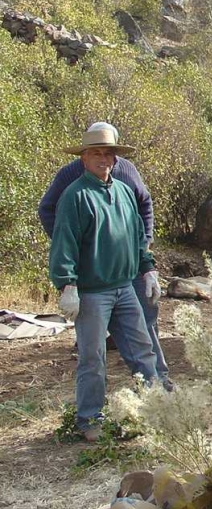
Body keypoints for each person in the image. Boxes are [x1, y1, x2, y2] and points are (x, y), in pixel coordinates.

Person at [49, 124, 159, 442]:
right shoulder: (75, 196)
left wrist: (148, 269)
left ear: (115, 158)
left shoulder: (124, 191)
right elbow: (64, 242)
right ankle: (89, 419)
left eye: (108, 153)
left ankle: (157, 411)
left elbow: (137, 236)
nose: (103, 159)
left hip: (125, 287)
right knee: (93, 357)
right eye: (96, 153)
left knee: (142, 350)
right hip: (92, 292)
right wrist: (67, 284)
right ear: (83, 158)